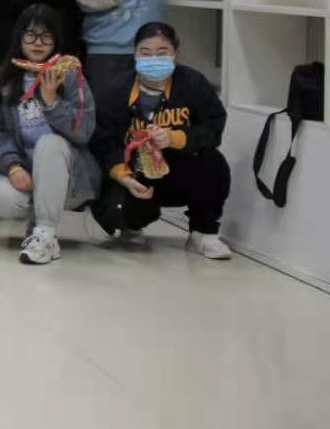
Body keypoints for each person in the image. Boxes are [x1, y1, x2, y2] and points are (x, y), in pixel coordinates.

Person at [89, 21, 231, 259]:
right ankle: (130, 226)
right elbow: (103, 142)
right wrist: (122, 176)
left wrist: (177, 138)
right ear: (135, 55)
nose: (153, 59)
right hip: (135, 172)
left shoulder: (193, 83)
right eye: (145, 53)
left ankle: (203, 232)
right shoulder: (116, 91)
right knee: (117, 207)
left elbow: (213, 127)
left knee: (214, 162)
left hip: (180, 167)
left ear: (176, 54)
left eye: (162, 52)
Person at [0, 5, 99, 264]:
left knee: (49, 143)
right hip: (25, 172)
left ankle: (45, 233)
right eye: (31, 35)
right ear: (19, 37)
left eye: (46, 36)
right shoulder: (1, 79)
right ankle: (39, 225)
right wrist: (12, 166)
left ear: (56, 40)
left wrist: (52, 102)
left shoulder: (71, 75)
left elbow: (84, 131)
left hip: (69, 176)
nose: (38, 43)